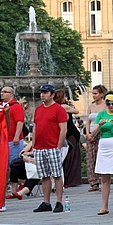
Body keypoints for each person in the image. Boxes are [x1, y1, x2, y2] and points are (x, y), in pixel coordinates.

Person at [29, 84, 69, 213]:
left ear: (52, 95)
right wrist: (33, 146)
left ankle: (59, 201)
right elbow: (35, 128)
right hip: (39, 147)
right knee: (44, 176)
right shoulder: (39, 109)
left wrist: (58, 146)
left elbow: (63, 129)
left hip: (52, 146)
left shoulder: (58, 109)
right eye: (41, 92)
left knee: (57, 175)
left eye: (46, 93)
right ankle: (46, 202)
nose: (42, 95)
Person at [54, 89, 82, 188]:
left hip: (70, 133)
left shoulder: (62, 106)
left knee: (70, 156)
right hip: (65, 133)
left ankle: (70, 179)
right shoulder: (57, 107)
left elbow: (76, 111)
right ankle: (68, 179)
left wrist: (67, 109)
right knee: (67, 156)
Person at [84, 85, 108, 192]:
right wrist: (88, 133)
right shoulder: (91, 106)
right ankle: (93, 183)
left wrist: (96, 132)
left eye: (96, 93)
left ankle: (103, 182)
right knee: (90, 158)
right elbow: (88, 121)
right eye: (93, 93)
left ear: (101, 94)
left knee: (101, 157)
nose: (94, 95)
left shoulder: (105, 106)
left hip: (101, 133)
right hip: (91, 134)